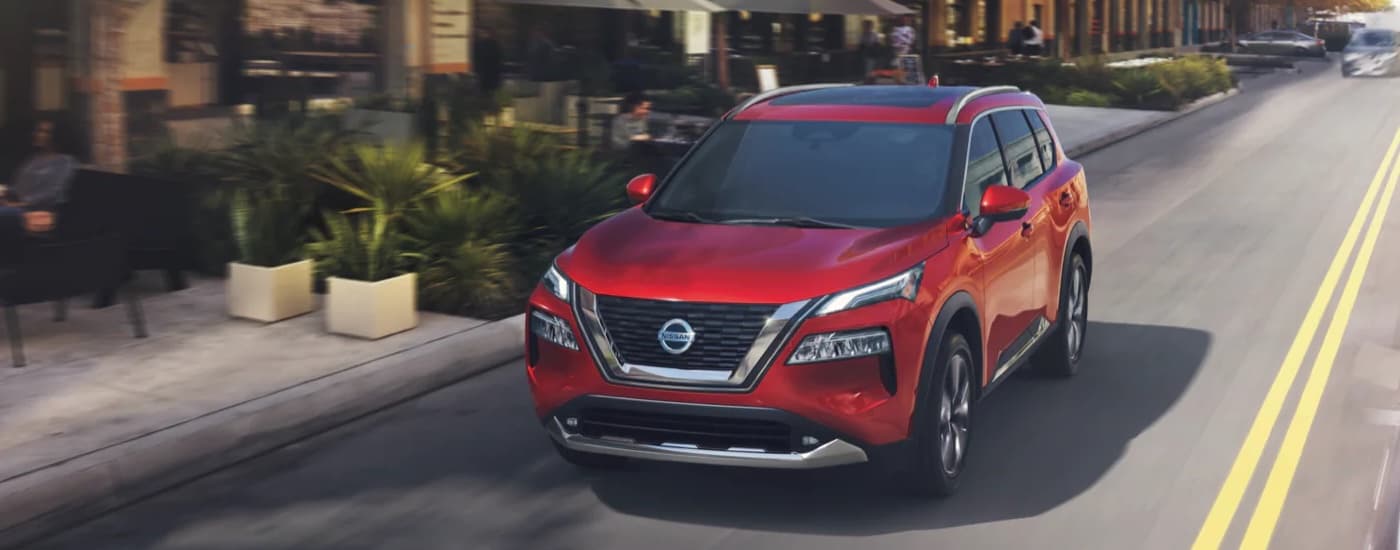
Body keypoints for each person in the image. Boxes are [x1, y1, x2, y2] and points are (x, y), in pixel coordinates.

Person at [1, 117, 78, 256]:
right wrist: (5, 190)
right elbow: (18, 187)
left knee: (6, 214)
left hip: (41, 212)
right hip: (17, 207)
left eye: (44, 131)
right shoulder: (34, 159)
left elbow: (54, 193)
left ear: (57, 135)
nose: (38, 134)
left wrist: (20, 204)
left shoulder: (65, 161)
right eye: (38, 130)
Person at [471, 28, 504, 95]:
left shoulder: (481, 44)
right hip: (491, 72)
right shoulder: (494, 44)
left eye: (482, 33)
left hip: (486, 72)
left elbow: (478, 57)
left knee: (485, 90)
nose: (481, 35)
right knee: (490, 90)